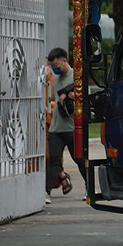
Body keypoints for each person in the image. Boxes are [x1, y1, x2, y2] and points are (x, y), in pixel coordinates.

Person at [45, 48, 77, 200]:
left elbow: (86, 95)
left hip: (71, 127)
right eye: (52, 65)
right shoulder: (55, 79)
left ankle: (88, 189)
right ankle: (46, 192)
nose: (55, 68)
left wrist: (72, 95)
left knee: (79, 159)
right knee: (54, 160)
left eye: (57, 64)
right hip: (56, 127)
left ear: (65, 61)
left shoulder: (77, 77)